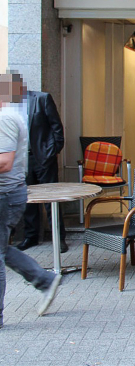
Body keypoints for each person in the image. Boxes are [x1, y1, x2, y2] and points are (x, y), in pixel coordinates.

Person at [0, 72, 61, 328]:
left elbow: (4, 162)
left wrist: (48, 156)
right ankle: (44, 279)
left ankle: (45, 278)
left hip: (8, 191)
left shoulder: (6, 118)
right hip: (13, 189)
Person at [16, 88, 66, 253]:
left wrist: (53, 151)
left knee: (51, 200)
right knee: (27, 199)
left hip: (44, 158)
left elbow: (56, 126)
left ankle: (59, 239)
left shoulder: (41, 99)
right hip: (21, 160)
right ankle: (30, 237)